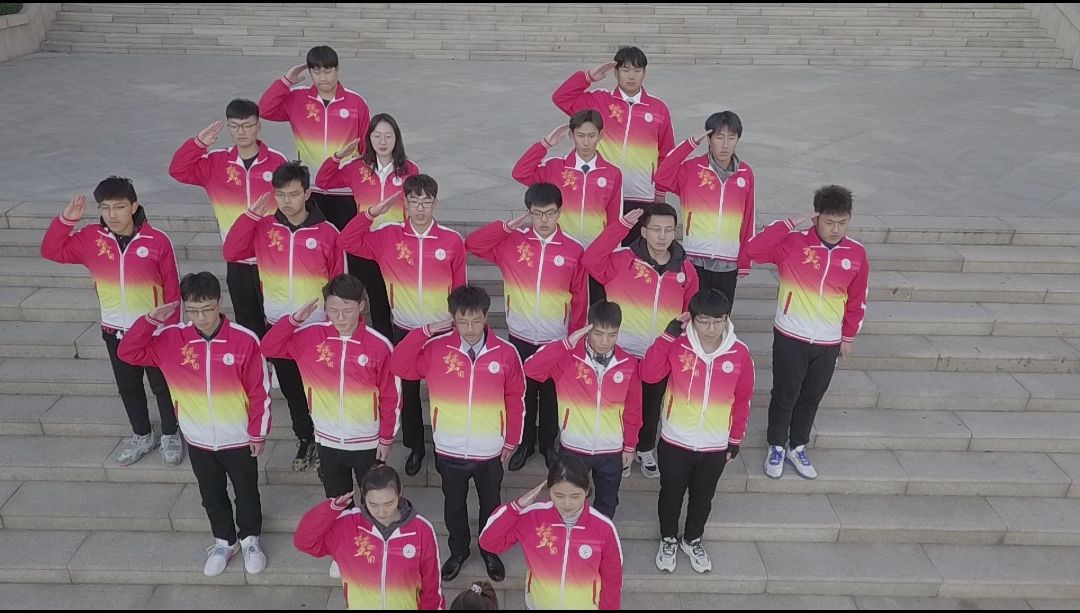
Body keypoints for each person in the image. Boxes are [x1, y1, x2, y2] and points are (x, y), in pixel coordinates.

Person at [118, 272, 269, 577]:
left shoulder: (244, 340)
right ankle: (225, 541)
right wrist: (149, 321)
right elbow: (127, 352)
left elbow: (259, 390)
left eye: (208, 309)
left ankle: (250, 539)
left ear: (219, 303)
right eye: (194, 311)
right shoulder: (171, 340)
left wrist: (258, 432)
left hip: (238, 437)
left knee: (246, 491)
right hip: (197, 437)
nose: (202, 317)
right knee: (211, 494)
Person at [40, 178, 181, 466]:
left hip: (154, 332)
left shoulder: (157, 241)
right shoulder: (90, 239)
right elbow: (51, 250)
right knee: (128, 387)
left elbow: (173, 291)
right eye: (105, 208)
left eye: (119, 207)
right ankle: (142, 434)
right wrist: (67, 220)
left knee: (162, 385)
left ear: (134, 206)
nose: (112, 214)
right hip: (115, 330)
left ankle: (171, 433)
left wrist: (171, 330)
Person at [389, 285, 525, 584]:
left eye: (476, 320)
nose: (470, 328)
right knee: (453, 506)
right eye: (462, 321)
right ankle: (459, 551)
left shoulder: (505, 353)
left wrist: (512, 438)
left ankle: (490, 550)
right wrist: (424, 332)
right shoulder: (436, 349)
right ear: (453, 319)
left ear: (486, 317)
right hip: (449, 448)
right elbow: (398, 364)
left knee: (491, 506)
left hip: (489, 449)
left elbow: (515, 398)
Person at [223, 161, 345, 472]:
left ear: (307, 193)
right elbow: (232, 252)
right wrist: (250, 216)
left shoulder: (327, 233)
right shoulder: (264, 228)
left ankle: (326, 441)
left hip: (317, 328)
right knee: (292, 390)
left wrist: (334, 325)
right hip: (279, 328)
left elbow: (339, 282)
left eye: (293, 194)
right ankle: (305, 439)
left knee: (322, 389)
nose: (286, 201)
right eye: (280, 194)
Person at [341, 175, 466, 477]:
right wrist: (372, 213)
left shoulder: (451, 240)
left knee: (445, 392)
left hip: (442, 331)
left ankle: (444, 446)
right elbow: (346, 241)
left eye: (426, 202)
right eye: (414, 201)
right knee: (407, 393)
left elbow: (460, 287)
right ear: (405, 203)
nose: (420, 208)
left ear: (435, 203)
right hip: (405, 328)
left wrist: (459, 325)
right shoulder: (387, 236)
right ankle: (415, 447)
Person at [746, 185, 869, 481]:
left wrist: (848, 336)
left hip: (828, 341)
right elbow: (752, 249)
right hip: (791, 335)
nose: (835, 229)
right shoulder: (793, 244)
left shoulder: (856, 253)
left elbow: (857, 298)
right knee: (785, 394)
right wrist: (789, 223)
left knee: (812, 396)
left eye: (842, 223)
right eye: (829, 222)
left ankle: (797, 445)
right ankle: (777, 445)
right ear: (816, 218)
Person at [465, 183, 587, 472]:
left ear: (560, 212)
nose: (544, 220)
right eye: (537, 213)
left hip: (556, 337)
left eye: (550, 213)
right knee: (523, 393)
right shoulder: (512, 243)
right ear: (528, 212)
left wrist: (575, 337)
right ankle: (524, 442)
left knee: (551, 395)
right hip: (519, 333)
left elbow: (580, 297)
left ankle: (548, 445)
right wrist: (505, 227)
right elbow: (473, 244)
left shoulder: (573, 250)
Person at [640, 289, 753, 574]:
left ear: (727, 319)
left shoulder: (740, 353)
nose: (711, 328)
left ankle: (692, 539)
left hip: (715, 444)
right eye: (704, 321)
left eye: (718, 321)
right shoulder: (677, 346)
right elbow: (648, 374)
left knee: (703, 497)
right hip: (675, 440)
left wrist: (735, 439)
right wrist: (666, 337)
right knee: (671, 493)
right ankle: (668, 538)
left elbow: (743, 399)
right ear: (692, 319)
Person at [582, 205, 697, 480]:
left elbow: (690, 310)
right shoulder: (622, 260)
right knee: (617, 404)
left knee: (651, 404)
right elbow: (590, 259)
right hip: (621, 350)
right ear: (643, 231)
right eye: (655, 229)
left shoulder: (686, 270)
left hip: (660, 352)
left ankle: (645, 449)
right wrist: (620, 227)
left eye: (668, 230)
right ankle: (618, 450)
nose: (662, 236)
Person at [261, 274, 398, 503]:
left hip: (367, 441)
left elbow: (391, 396)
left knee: (373, 504)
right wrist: (294, 321)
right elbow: (268, 347)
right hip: (327, 440)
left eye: (347, 310)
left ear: (361, 306)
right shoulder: (310, 338)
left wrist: (386, 438)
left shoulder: (379, 346)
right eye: (333, 310)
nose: (340, 317)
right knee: (337, 504)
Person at [168, 98, 289, 337]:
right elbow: (178, 170)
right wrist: (198, 144)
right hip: (238, 259)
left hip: (273, 258)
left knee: (277, 322)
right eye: (234, 126)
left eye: (247, 125)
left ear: (259, 126)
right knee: (247, 322)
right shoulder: (216, 162)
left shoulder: (277, 162)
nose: (241, 132)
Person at [522, 301, 641, 519]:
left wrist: (630, 445)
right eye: (598, 333)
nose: (605, 341)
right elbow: (530, 369)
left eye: (612, 335)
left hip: (611, 449)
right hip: (573, 447)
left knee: (607, 502)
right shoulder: (567, 357)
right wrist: (566, 344)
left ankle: (600, 535)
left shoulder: (628, 363)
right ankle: (569, 535)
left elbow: (633, 408)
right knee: (568, 502)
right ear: (588, 328)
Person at [552, 46, 675, 246]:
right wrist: (588, 77)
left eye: (637, 70)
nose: (631, 76)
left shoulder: (658, 109)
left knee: (634, 254)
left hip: (640, 194)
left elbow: (667, 153)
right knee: (603, 250)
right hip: (602, 193)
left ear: (644, 73)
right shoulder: (599, 101)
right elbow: (561, 98)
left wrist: (660, 191)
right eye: (625, 70)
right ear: (616, 72)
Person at [316, 113, 421, 338]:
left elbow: (416, 204)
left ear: (397, 138)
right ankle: (377, 345)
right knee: (374, 300)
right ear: (369, 139)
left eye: (388, 136)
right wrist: (337, 156)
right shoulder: (357, 168)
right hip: (365, 244)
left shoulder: (409, 170)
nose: (383, 142)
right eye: (377, 136)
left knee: (397, 300)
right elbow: (323, 181)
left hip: (396, 246)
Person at [479, 454, 623, 611]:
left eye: (575, 496)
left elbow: (613, 579)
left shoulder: (603, 527)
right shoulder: (533, 518)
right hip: (537, 605)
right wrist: (515, 508)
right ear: (549, 489)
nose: (567, 503)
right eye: (559, 495)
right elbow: (488, 543)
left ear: (587, 490)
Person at [294, 465, 444, 610]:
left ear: (400, 492)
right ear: (363, 495)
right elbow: (304, 541)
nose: (382, 512)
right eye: (373, 504)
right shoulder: (347, 526)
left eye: (389, 503)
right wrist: (330, 509)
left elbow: (432, 586)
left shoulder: (421, 530)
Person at [258, 45, 370, 230]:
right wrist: (286, 81)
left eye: (328, 71)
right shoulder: (297, 98)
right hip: (310, 188)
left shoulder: (356, 102)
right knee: (312, 242)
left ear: (337, 69)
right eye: (316, 71)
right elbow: (264, 110)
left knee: (344, 241)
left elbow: (367, 146)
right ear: (310, 72)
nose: (323, 77)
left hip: (345, 189)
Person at [654, 111, 755, 305]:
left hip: (728, 261)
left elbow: (749, 217)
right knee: (691, 313)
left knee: (720, 316)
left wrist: (745, 260)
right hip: (694, 258)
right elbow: (661, 175)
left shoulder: (745, 174)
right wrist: (690, 144)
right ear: (709, 139)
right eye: (719, 137)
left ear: (737, 140)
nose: (725, 145)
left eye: (731, 138)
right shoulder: (691, 169)